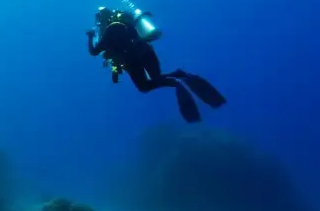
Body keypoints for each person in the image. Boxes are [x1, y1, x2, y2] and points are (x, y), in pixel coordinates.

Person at [87, 6, 226, 123]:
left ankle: (176, 81)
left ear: (102, 19)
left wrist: (90, 36)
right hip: (147, 52)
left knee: (144, 86)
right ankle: (179, 75)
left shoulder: (109, 31)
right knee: (156, 77)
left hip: (132, 61)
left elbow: (94, 52)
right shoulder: (125, 24)